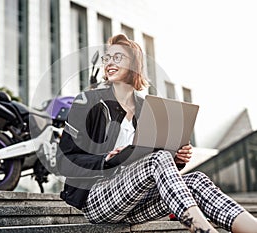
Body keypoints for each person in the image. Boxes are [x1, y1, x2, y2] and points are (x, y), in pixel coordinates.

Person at [56, 34, 257, 233]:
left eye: (118, 57)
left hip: (136, 201)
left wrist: (178, 158)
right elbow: (63, 161)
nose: (109, 62)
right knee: (156, 159)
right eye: (107, 58)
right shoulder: (88, 102)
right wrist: (105, 160)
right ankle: (202, 230)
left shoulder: (148, 108)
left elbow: (154, 156)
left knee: (196, 180)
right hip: (97, 198)